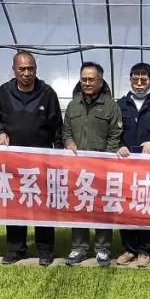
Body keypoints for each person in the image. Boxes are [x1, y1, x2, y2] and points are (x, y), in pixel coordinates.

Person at [0, 51, 64, 266]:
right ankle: (16, 249)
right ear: (14, 70)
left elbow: (57, 126)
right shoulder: (4, 92)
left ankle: (45, 250)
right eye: (22, 69)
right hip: (13, 164)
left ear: (36, 69)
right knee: (15, 206)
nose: (26, 73)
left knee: (43, 206)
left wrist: (58, 153)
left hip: (42, 163)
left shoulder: (47, 93)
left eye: (30, 68)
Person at [62, 61, 123, 267]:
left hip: (102, 168)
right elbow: (66, 131)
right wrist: (69, 142)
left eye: (91, 79)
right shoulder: (73, 105)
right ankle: (78, 248)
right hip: (78, 168)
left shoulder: (111, 106)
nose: (87, 83)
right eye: (84, 79)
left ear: (100, 81)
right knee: (80, 206)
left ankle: (102, 250)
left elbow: (115, 135)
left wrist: (104, 160)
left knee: (102, 208)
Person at [115, 63, 150, 268]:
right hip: (125, 167)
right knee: (126, 206)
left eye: (144, 79)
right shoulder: (119, 105)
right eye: (135, 79)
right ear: (130, 80)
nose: (139, 83)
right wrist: (118, 145)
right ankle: (129, 249)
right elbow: (112, 131)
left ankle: (145, 250)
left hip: (149, 168)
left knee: (146, 206)